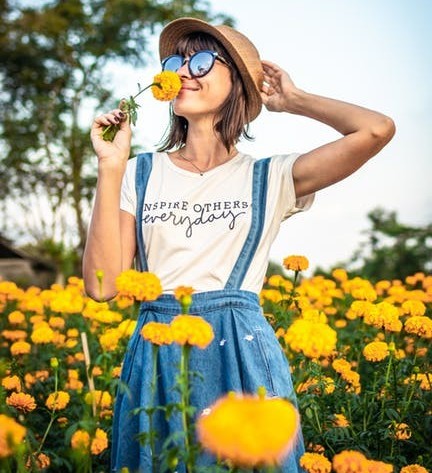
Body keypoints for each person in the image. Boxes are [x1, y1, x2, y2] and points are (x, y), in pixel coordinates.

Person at [83, 16, 395, 473]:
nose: (184, 70)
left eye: (203, 60)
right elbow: (102, 285)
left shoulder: (269, 177)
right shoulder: (138, 172)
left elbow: (376, 130)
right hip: (157, 352)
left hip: (241, 351)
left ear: (239, 85)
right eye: (176, 61)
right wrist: (110, 165)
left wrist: (296, 100)